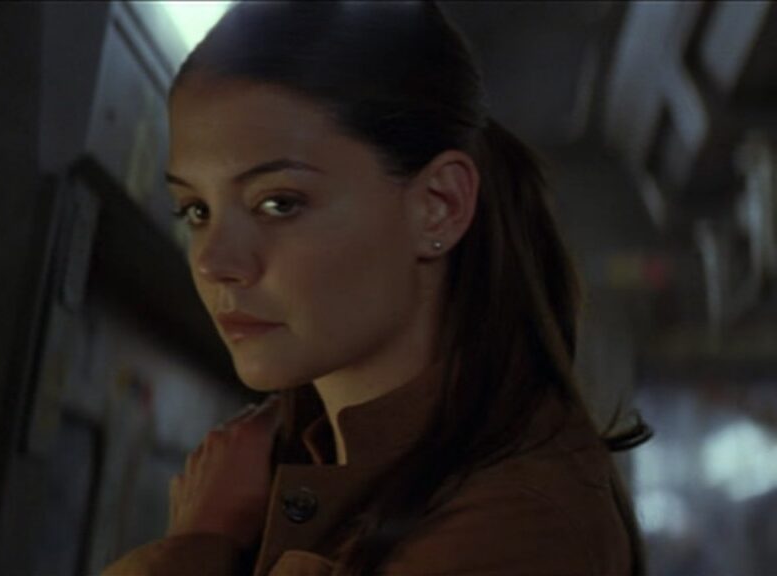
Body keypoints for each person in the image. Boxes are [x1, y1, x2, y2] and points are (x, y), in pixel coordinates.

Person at [104, 1, 652, 575]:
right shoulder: (323, 459)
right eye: (196, 210)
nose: (214, 261)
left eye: (278, 203)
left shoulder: (518, 527)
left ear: (438, 207)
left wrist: (199, 541)